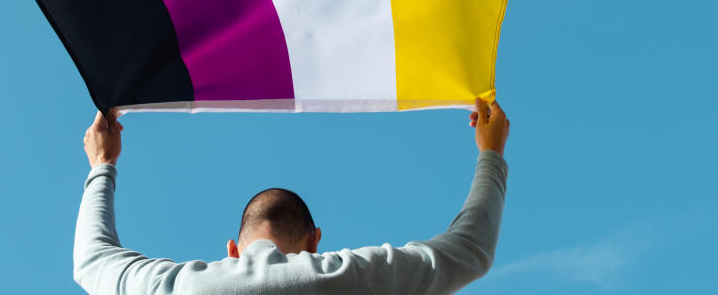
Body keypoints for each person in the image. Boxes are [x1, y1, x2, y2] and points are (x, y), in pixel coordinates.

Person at [73, 99, 510, 294]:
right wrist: (490, 153)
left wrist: (102, 165)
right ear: (314, 242)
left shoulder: (183, 288)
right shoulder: (351, 279)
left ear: (232, 250)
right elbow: (470, 250)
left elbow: (93, 261)